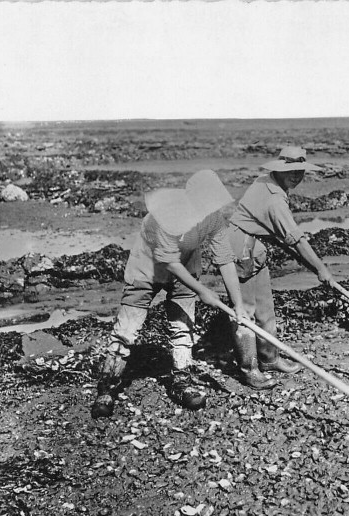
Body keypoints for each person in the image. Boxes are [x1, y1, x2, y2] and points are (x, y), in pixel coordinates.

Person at [91, 170, 248, 418]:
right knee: (126, 331)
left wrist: (237, 303)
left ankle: (182, 381)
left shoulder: (214, 218)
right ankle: (107, 388)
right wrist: (204, 291)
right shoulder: (165, 214)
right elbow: (169, 261)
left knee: (183, 327)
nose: (209, 207)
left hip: (185, 266)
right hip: (147, 268)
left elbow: (225, 260)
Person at [227, 146, 335, 390]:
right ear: (278, 170)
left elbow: (280, 232)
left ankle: (270, 359)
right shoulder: (274, 199)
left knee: (265, 308)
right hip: (240, 248)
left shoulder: (268, 182)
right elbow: (296, 238)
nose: (295, 176)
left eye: (300, 171)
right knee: (244, 312)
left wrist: (310, 261)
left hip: (256, 247)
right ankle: (249, 369)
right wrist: (321, 268)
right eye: (290, 171)